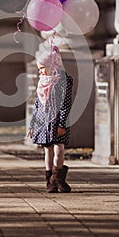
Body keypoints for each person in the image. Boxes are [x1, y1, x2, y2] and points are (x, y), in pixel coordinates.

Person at [27, 44, 73, 193]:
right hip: (43, 122)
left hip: (58, 121)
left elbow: (66, 105)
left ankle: (57, 178)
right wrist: (32, 125)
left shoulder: (62, 82)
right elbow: (37, 106)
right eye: (39, 69)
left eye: (42, 68)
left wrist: (62, 124)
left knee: (59, 148)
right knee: (48, 150)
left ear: (52, 66)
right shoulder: (42, 83)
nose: (40, 72)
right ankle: (50, 181)